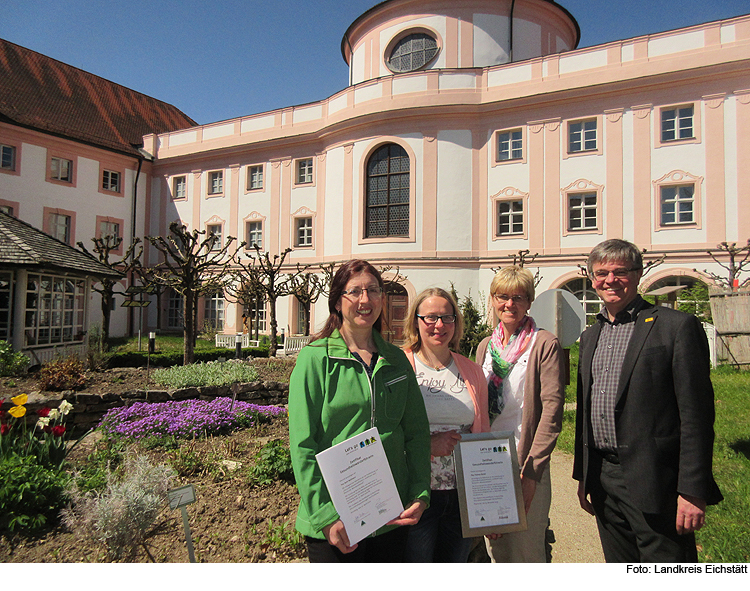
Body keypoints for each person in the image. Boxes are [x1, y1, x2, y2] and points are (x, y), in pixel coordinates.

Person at [573, 238, 723, 562]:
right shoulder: (590, 337)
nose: (610, 280)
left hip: (656, 480)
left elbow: (696, 416)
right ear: (592, 278)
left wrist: (693, 490)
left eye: (620, 271)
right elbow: (585, 414)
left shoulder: (676, 327)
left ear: (638, 274)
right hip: (603, 478)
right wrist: (584, 477)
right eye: (601, 273)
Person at [288, 259, 431, 562]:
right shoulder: (315, 360)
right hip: (336, 521)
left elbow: (417, 433)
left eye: (373, 290)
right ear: (338, 302)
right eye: (355, 292)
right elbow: (302, 445)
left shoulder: (396, 360)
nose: (365, 300)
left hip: (390, 515)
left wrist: (420, 492)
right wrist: (325, 516)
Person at [476, 265, 565, 563]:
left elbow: (551, 411)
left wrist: (531, 472)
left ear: (529, 301)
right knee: (496, 550)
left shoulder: (544, 344)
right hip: (490, 462)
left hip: (525, 460)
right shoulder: (486, 347)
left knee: (526, 551)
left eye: (518, 297)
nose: (509, 304)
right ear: (492, 299)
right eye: (502, 296)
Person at [401, 287, 490, 562]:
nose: (439, 325)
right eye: (430, 317)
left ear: (455, 322)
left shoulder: (471, 370)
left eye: (446, 317)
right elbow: (387, 430)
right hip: (415, 493)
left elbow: (482, 432)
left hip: (460, 496)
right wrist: (428, 445)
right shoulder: (399, 366)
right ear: (416, 321)